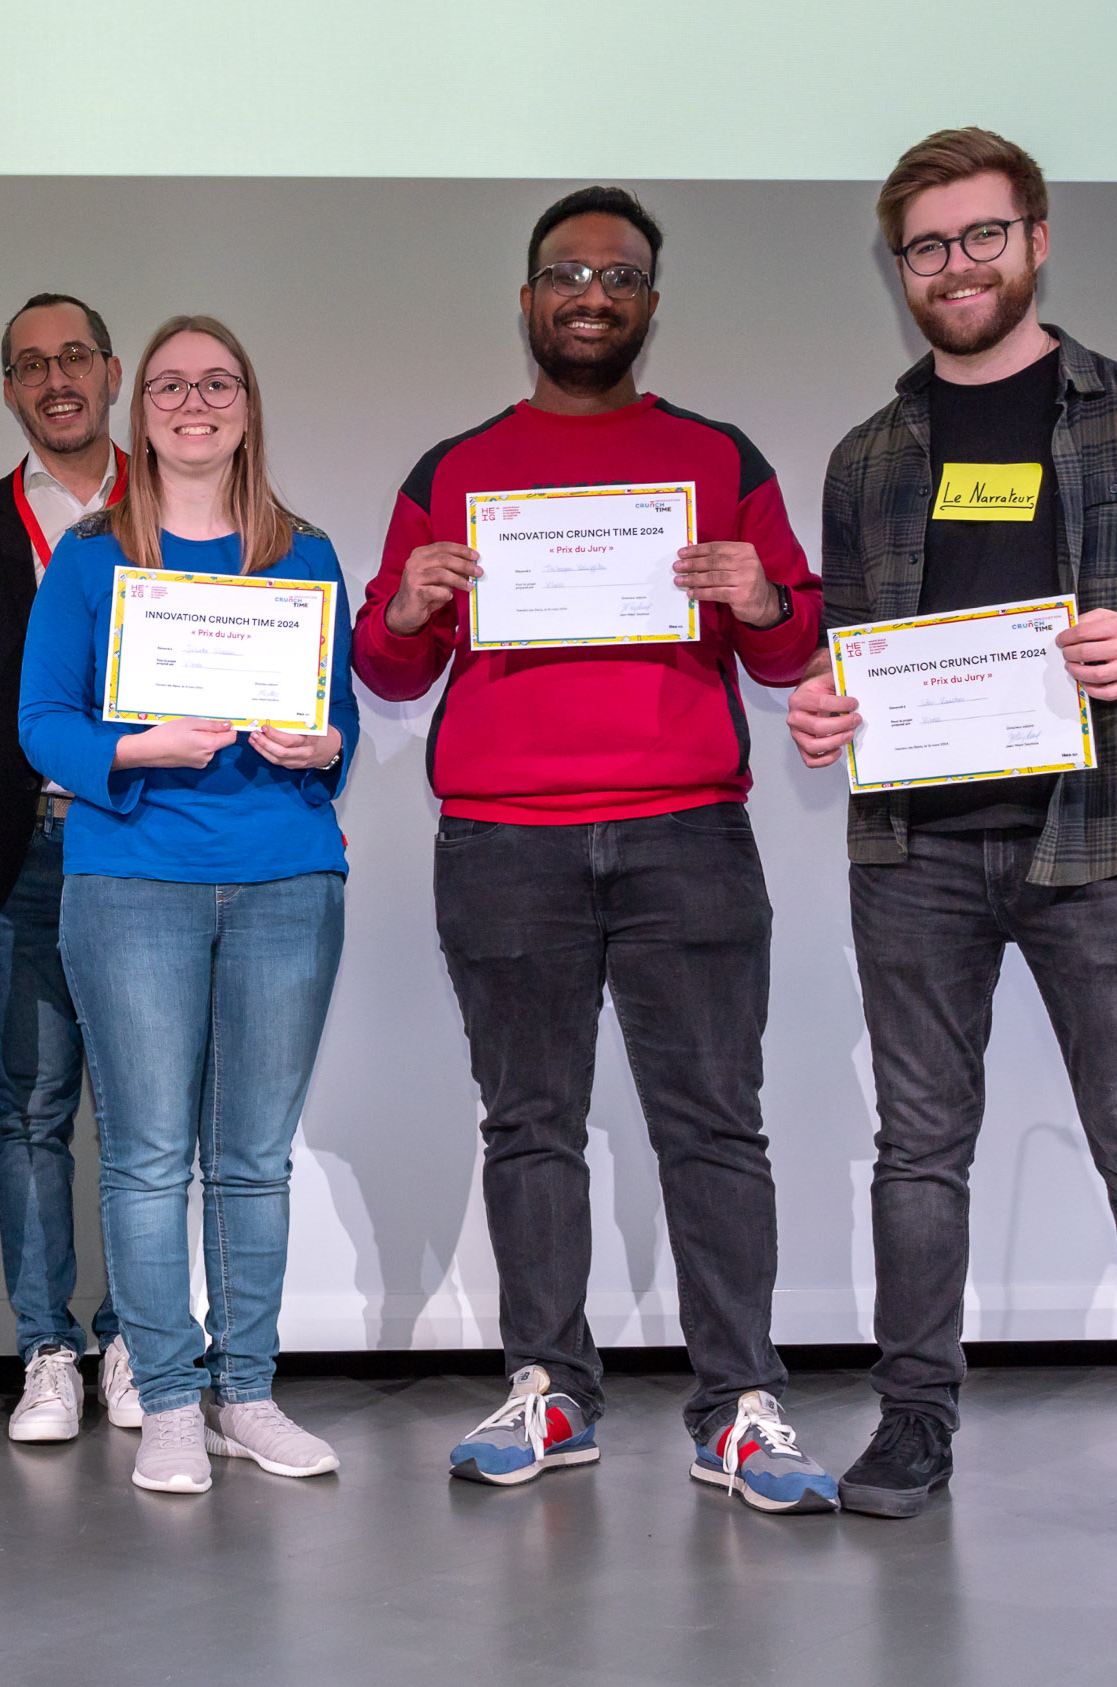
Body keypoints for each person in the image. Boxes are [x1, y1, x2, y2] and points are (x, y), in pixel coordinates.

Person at [787, 129, 1117, 1553]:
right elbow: (849, 647)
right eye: (927, 247)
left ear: (1036, 241)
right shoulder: (868, 455)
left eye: (981, 236)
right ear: (900, 269)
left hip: (1101, 838)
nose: (956, 267)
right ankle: (914, 1421)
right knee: (918, 1152)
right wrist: (822, 706)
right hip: (916, 853)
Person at [353, 186, 838, 1514]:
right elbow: (388, 673)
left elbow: (792, 648)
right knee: (530, 1125)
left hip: (688, 834)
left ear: (649, 307)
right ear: (527, 301)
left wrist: (760, 595)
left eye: (619, 277)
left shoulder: (719, 457)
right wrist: (406, 607)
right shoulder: (451, 469)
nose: (591, 295)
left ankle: (739, 1403)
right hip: (505, 843)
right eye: (568, 274)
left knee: (714, 1124)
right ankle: (550, 1386)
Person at [18, 315, 357, 1495]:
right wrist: (139, 747)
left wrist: (324, 744)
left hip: (285, 879)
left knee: (254, 1160)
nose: (194, 403)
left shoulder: (305, 554)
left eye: (218, 383)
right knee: (150, 1158)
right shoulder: (91, 556)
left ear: (248, 406)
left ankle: (245, 1394)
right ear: (139, 406)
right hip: (132, 879)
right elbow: (42, 723)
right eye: (170, 385)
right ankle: (167, 1398)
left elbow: (336, 717)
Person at [0, 293, 132, 1442]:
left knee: (143, 1112)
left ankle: (134, 1336)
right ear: (11, 390)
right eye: (32, 365)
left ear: (112, 372)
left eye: (75, 357)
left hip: (142, 847)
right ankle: (46, 1349)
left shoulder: (179, 506)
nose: (56, 378)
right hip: (20, 852)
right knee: (32, 1109)